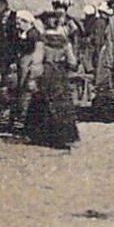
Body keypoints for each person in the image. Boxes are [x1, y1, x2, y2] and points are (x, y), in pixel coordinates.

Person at [25, 13, 80, 149]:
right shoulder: (64, 41)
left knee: (42, 101)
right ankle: (62, 135)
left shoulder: (42, 40)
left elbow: (37, 61)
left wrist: (32, 78)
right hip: (60, 73)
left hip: (46, 72)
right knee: (61, 102)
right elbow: (72, 61)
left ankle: (42, 135)